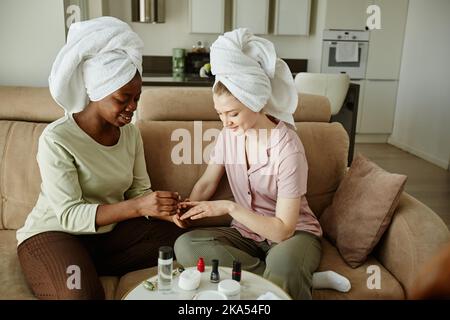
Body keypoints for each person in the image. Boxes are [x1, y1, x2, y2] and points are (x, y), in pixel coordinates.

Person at [16, 17, 186, 300]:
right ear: (97, 92)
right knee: (80, 296)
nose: (132, 107)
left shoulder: (130, 134)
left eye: (137, 97)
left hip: (107, 236)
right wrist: (139, 206)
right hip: (56, 233)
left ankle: (82, 263)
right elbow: (69, 215)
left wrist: (167, 209)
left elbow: (139, 192)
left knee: (184, 241)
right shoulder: (57, 139)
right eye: (123, 98)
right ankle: (65, 264)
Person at [173, 28, 323, 300]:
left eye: (233, 113)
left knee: (285, 263)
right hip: (247, 236)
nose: (225, 122)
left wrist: (229, 206)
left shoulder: (288, 148)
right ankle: (282, 278)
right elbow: (207, 182)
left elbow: (282, 230)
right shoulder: (228, 136)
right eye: (220, 114)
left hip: (293, 236)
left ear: (257, 102)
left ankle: (287, 272)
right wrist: (189, 211)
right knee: (186, 246)